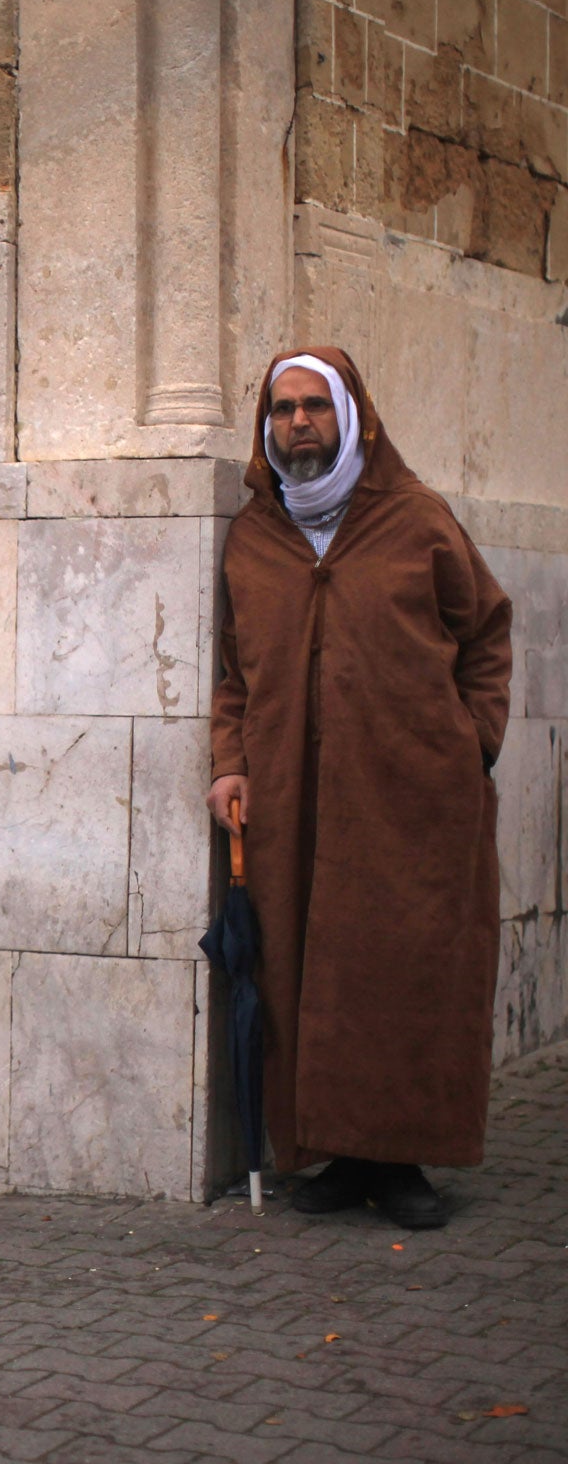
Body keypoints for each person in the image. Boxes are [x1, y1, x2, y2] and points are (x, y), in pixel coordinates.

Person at [206, 347, 512, 1231]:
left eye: (315, 407)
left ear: (354, 418)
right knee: (305, 969)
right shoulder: (255, 539)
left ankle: (401, 1159)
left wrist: (474, 745)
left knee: (405, 971)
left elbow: (486, 634)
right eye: (281, 409)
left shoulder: (416, 520)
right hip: (290, 800)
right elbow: (234, 671)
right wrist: (231, 761)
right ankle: (336, 1157)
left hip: (413, 795)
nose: (298, 423)